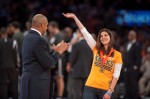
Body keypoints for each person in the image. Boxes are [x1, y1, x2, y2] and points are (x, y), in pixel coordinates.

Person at [63, 13, 123, 99]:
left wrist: (110, 92)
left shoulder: (117, 54)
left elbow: (116, 75)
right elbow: (84, 32)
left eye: (105, 35)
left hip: (105, 89)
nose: (103, 37)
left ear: (111, 37)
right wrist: (75, 17)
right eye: (101, 36)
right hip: (90, 86)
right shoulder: (96, 48)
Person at [20, 14, 70, 99]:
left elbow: (37, 56)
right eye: (46, 25)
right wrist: (58, 52)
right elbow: (49, 64)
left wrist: (54, 50)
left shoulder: (27, 37)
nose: (46, 28)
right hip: (36, 86)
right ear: (42, 25)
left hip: (28, 82)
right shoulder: (39, 40)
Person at [66, 29, 93, 99]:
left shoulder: (76, 45)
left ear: (79, 34)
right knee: (85, 93)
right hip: (87, 72)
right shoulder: (90, 46)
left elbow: (72, 58)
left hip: (77, 72)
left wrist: (69, 65)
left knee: (76, 93)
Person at [0, 27, 20, 99]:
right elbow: (16, 55)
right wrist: (17, 66)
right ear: (7, 33)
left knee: (3, 84)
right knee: (14, 83)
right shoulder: (14, 42)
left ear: (1, 34)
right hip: (12, 66)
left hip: (2, 67)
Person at [123, 30, 142, 99]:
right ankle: (127, 96)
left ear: (134, 36)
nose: (129, 36)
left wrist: (136, 67)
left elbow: (138, 57)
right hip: (126, 67)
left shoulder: (137, 45)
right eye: (129, 35)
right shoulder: (126, 44)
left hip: (133, 68)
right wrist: (124, 66)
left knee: (133, 84)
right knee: (127, 84)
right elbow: (125, 55)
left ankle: (134, 97)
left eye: (131, 35)